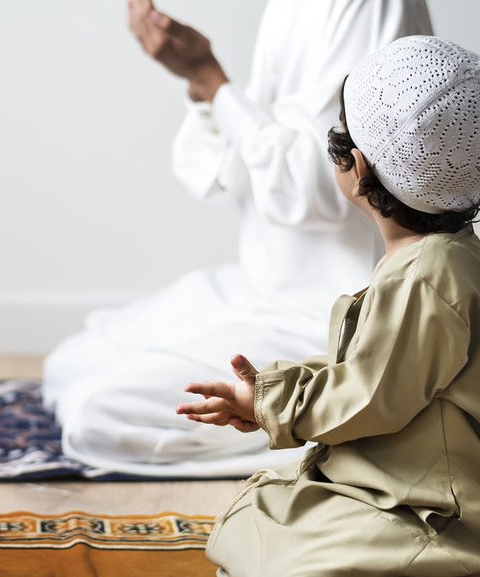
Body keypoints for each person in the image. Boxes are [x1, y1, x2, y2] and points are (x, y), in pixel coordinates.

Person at [177, 36, 480, 577]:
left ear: (359, 167)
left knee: (271, 540)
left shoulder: (428, 277)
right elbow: (380, 372)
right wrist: (271, 391)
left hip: (446, 516)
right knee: (263, 513)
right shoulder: (440, 256)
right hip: (406, 484)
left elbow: (370, 394)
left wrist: (270, 405)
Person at [42, 0, 433, 477]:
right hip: (258, 287)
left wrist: (212, 80)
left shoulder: (370, 6)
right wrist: (204, 87)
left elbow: (330, 186)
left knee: (95, 412)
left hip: (332, 320)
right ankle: (302, 418)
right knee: (68, 365)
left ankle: (341, 425)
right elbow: (240, 174)